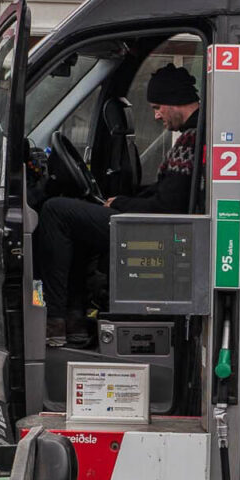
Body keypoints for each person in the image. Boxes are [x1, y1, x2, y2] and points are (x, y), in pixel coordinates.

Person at [35, 63, 202, 348]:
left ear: (175, 101)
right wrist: (121, 202)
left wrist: (122, 204)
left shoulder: (191, 138)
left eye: (158, 107)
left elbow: (167, 205)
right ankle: (75, 319)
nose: (156, 115)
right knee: (76, 220)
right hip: (164, 228)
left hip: (160, 233)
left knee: (55, 211)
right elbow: (165, 192)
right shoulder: (195, 133)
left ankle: (55, 319)